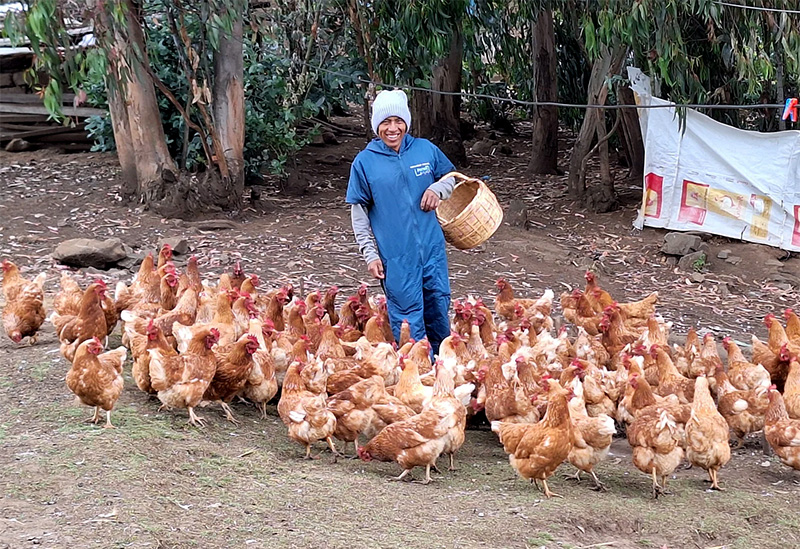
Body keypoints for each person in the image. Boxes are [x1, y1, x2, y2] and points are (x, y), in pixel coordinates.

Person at [346, 89, 457, 355]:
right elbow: (359, 213)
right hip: (396, 258)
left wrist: (437, 190)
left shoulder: (425, 149)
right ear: (376, 126)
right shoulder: (365, 163)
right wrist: (370, 254)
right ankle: (418, 376)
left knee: (438, 309)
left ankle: (444, 369)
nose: (392, 128)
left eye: (398, 121)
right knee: (409, 320)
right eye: (385, 122)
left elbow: (452, 177)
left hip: (432, 251)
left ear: (406, 122)